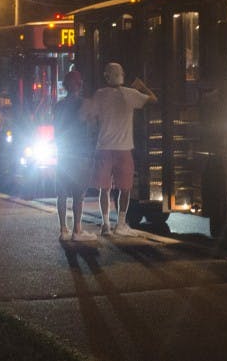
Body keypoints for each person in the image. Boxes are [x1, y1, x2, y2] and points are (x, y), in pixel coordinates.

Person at [84, 62, 157, 237]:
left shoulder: (99, 95)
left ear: (107, 76)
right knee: (125, 188)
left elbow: (90, 117)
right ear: (122, 75)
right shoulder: (130, 94)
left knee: (104, 188)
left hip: (103, 148)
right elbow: (153, 99)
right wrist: (142, 86)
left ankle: (105, 224)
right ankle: (121, 224)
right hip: (124, 149)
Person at [54, 70, 97, 242]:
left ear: (65, 86)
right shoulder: (85, 104)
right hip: (80, 153)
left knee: (62, 193)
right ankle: (77, 230)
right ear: (80, 85)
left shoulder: (58, 106)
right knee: (79, 194)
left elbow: (56, 130)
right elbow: (92, 128)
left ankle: (63, 228)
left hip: (63, 153)